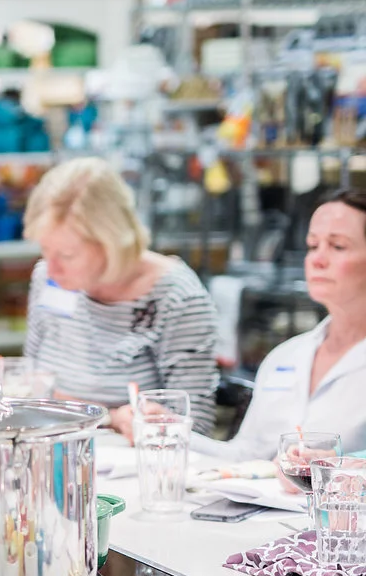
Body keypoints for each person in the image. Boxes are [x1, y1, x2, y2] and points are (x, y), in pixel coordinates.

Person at [23, 157, 219, 435]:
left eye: (67, 255)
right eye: (45, 250)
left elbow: (195, 428)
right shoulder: (46, 277)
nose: (52, 268)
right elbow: (30, 379)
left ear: (111, 241)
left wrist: (124, 420)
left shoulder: (176, 298)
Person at [193, 189, 366, 461]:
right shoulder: (285, 357)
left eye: (338, 246)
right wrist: (168, 431)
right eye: (312, 245)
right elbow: (244, 457)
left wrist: (339, 465)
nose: (317, 260)